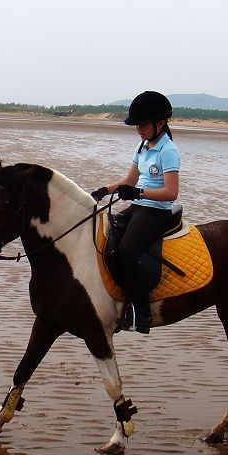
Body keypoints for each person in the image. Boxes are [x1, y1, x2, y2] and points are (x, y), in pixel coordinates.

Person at [90, 91, 180, 334]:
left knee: (128, 251)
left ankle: (142, 311)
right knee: (107, 237)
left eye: (142, 124)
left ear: (160, 123)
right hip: (138, 206)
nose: (138, 129)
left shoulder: (167, 150)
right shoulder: (142, 145)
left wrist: (139, 193)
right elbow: (129, 180)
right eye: (136, 125)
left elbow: (171, 192)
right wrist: (102, 191)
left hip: (156, 211)